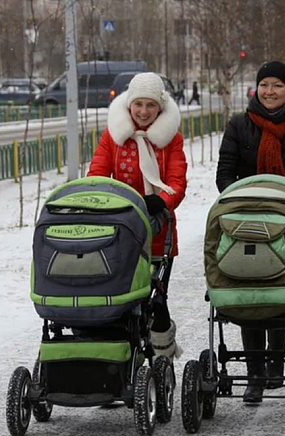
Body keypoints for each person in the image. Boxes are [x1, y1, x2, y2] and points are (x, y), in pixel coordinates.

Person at [217, 60, 285, 404]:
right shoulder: (238, 125)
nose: (270, 91)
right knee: (251, 288)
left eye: (277, 85)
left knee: (280, 286)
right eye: (264, 85)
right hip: (243, 220)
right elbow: (224, 174)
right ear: (256, 88)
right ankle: (255, 375)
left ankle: (276, 364)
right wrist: (240, 200)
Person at [87, 72, 188, 360]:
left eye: (150, 106)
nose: (143, 112)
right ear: (129, 105)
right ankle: (120, 359)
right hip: (116, 229)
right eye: (138, 105)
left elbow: (177, 182)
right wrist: (102, 199)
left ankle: (162, 354)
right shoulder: (113, 135)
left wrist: (161, 201)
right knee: (118, 296)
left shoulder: (171, 139)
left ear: (160, 107)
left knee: (154, 298)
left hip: (156, 231)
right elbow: (97, 172)